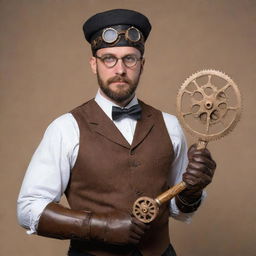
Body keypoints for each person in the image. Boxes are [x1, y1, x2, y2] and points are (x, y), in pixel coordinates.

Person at [17, 9, 216, 256]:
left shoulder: (170, 126)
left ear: (142, 64)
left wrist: (193, 191)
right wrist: (103, 227)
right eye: (109, 58)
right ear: (94, 64)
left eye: (129, 59)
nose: (119, 69)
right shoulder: (65, 128)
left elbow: (179, 210)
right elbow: (28, 209)